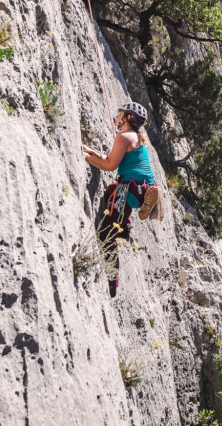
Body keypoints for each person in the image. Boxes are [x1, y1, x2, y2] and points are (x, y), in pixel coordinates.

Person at [82, 101, 157, 297]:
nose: (117, 116)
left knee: (106, 232)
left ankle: (112, 279)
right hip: (141, 188)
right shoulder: (135, 137)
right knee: (112, 189)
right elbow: (109, 158)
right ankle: (125, 224)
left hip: (130, 187)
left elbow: (109, 165)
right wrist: (90, 152)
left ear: (128, 118)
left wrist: (84, 156)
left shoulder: (124, 136)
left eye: (120, 113)